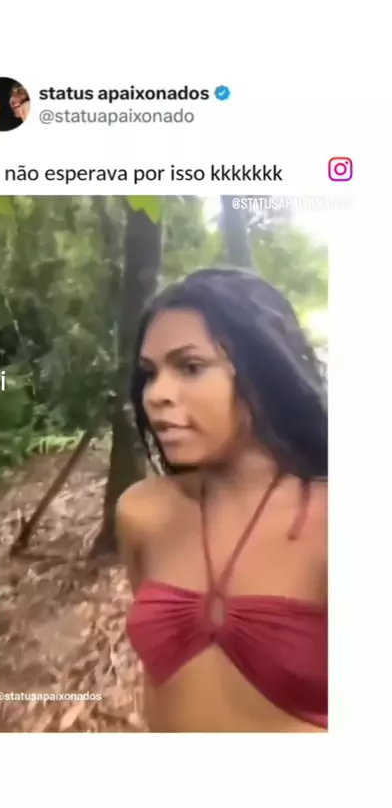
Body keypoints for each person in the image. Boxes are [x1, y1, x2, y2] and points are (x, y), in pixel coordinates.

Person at [117, 267, 327, 733]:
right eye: (150, 374)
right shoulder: (142, 513)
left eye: (190, 367)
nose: (156, 395)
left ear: (261, 372)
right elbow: (159, 682)